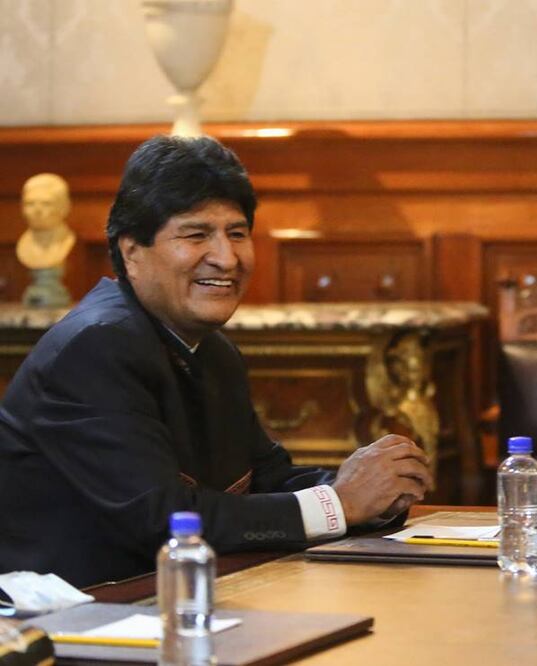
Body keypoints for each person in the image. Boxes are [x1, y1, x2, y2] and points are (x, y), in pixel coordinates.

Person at [0, 136, 433, 587]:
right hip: (68, 625)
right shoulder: (95, 346)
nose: (226, 258)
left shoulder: (209, 347)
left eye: (237, 233)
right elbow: (164, 518)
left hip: (173, 604)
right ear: (131, 252)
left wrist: (376, 489)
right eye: (196, 234)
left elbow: (267, 479)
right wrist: (339, 504)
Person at [16, 173, 76, 271]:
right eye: (30, 203)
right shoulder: (22, 246)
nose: (37, 211)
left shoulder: (70, 243)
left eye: (46, 204)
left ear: (64, 207)